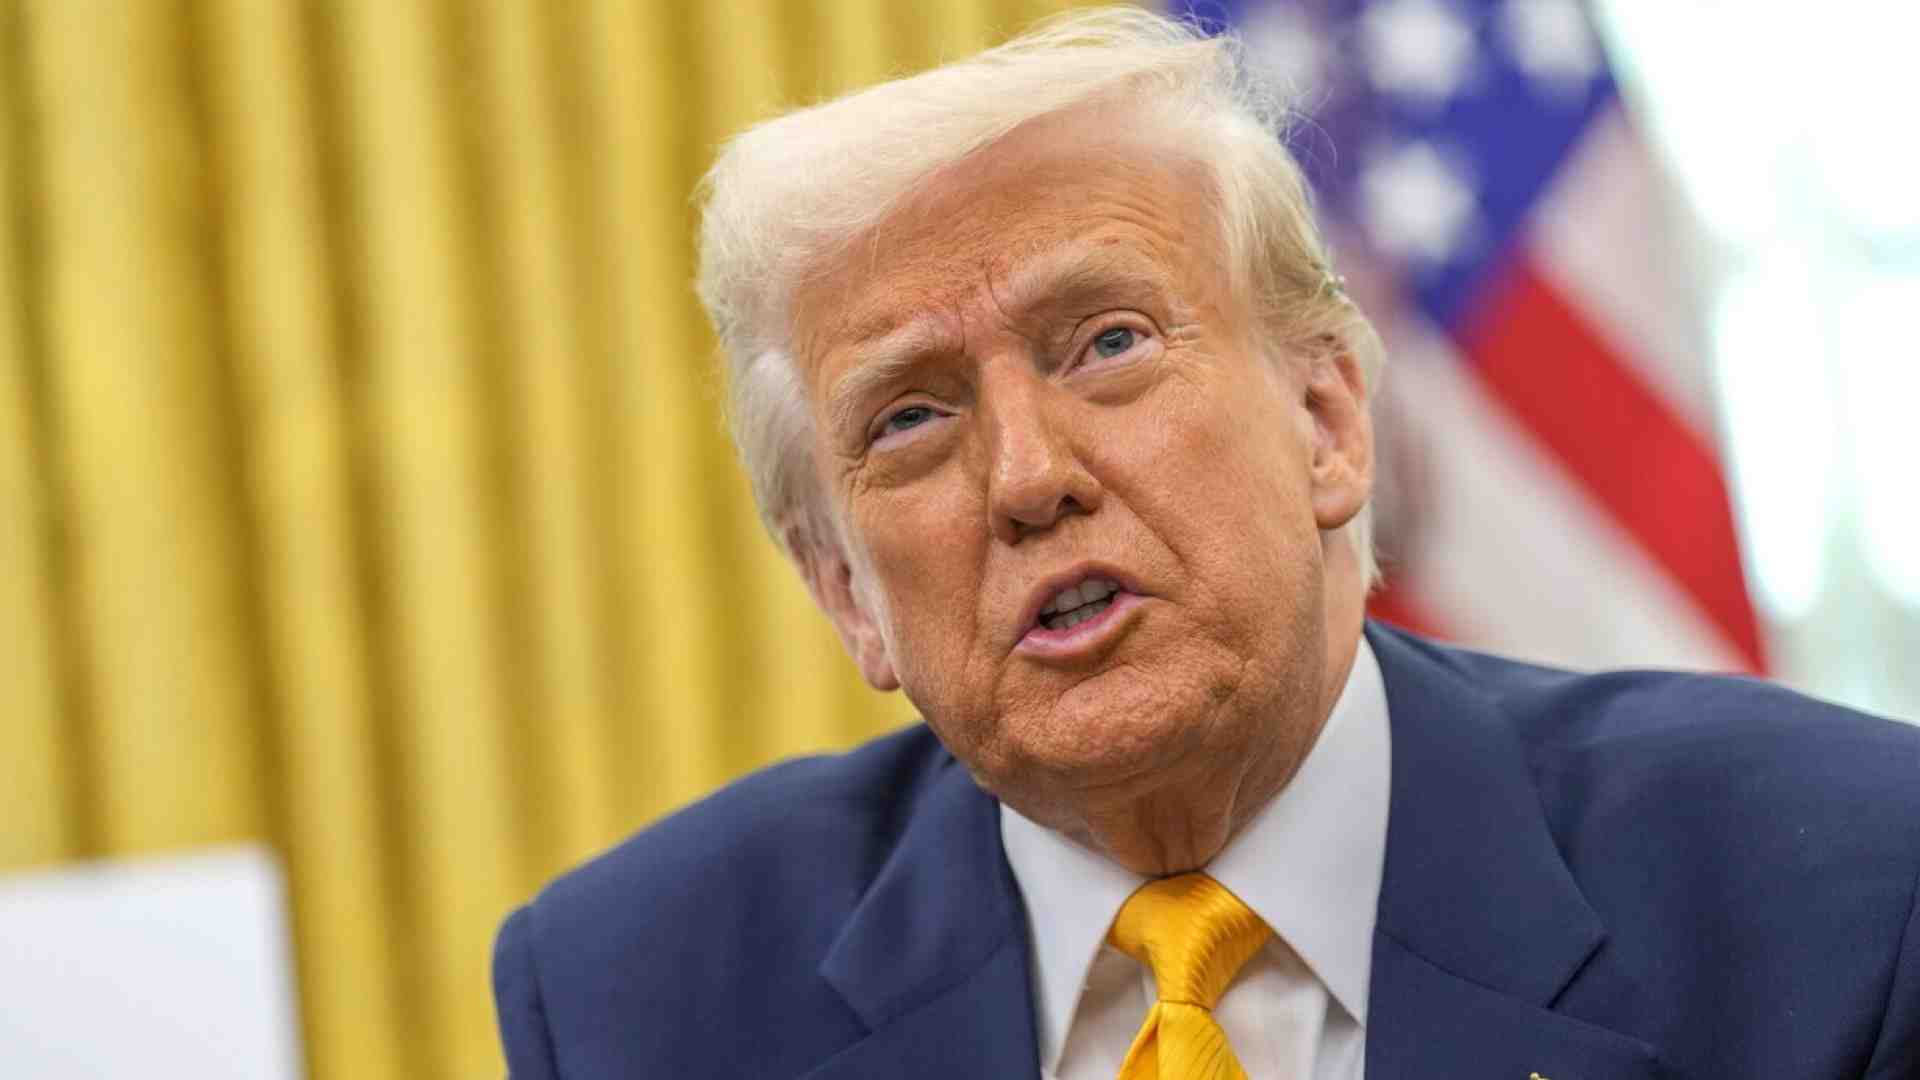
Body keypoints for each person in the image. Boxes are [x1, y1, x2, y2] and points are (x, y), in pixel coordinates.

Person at [491, 10, 1920, 1078]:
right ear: (844, 593)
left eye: (1107, 343)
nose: (1028, 479)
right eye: (912, 418)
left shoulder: (1835, 891)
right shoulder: (638, 999)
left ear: (1327, 421)